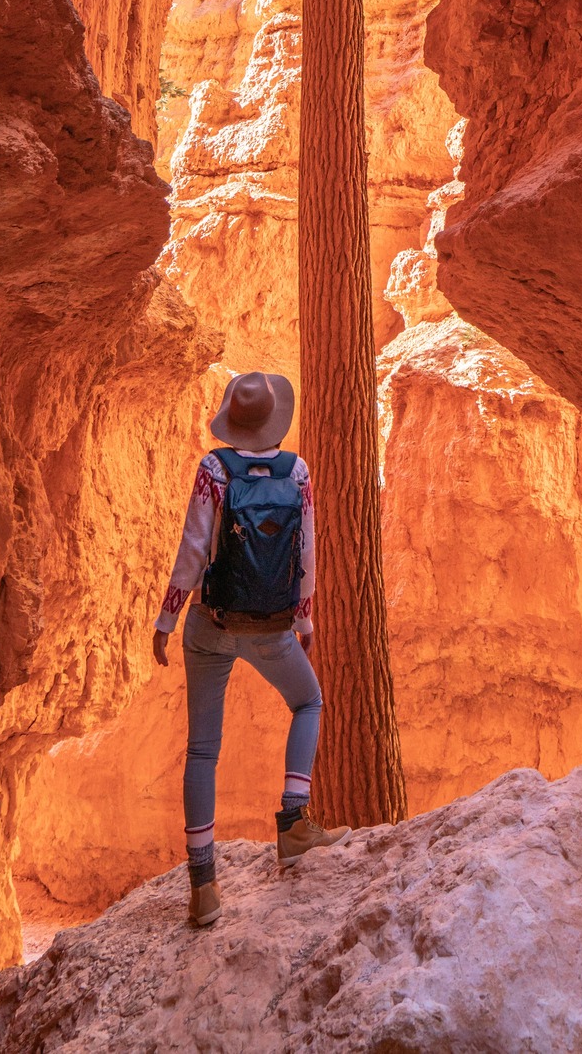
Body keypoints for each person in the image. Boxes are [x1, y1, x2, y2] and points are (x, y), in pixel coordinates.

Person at [152, 368, 348, 927]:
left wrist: (167, 618)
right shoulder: (298, 471)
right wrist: (303, 625)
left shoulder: (213, 469)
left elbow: (194, 548)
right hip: (271, 626)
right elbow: (307, 553)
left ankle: (204, 888)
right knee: (307, 703)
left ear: (231, 417)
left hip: (211, 623)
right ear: (273, 420)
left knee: (203, 752)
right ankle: (293, 825)